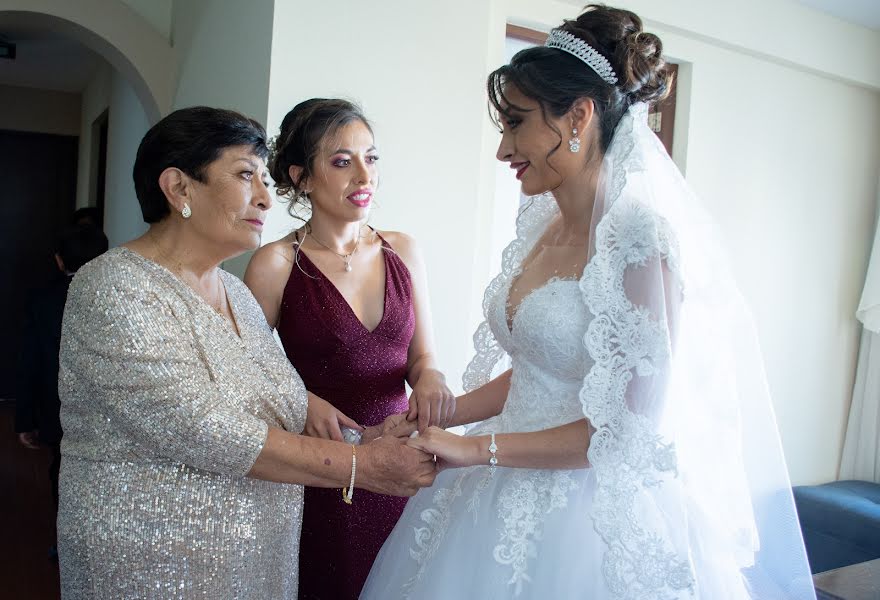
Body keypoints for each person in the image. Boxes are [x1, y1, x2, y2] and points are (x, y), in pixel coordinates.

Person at [362, 5, 815, 599]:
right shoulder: (542, 225)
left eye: (517, 123)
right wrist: (443, 415)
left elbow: (623, 429)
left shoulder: (640, 244)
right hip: (496, 483)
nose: (503, 149)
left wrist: (472, 449)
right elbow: (542, 370)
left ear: (578, 116)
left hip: (589, 515)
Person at [57, 106, 437, 600]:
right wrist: (360, 465)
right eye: (244, 175)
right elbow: (199, 425)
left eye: (264, 177)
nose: (264, 196)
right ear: (179, 189)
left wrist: (354, 429)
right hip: (158, 557)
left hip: (256, 557)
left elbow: (273, 389)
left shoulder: (232, 293)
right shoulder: (114, 286)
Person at [245, 98, 454, 600]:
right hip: (323, 471)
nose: (365, 175)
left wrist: (431, 378)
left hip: (403, 456)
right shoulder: (274, 265)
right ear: (302, 177)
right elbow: (245, 372)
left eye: (372, 158)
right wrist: (304, 401)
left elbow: (422, 358)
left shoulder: (403, 249)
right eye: (342, 161)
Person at [15, 222, 108, 559]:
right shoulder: (115, 295)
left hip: (58, 404)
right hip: (107, 408)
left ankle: (66, 541)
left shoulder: (42, 300)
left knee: (63, 470)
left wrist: (25, 417)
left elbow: (31, 361)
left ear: (58, 260)